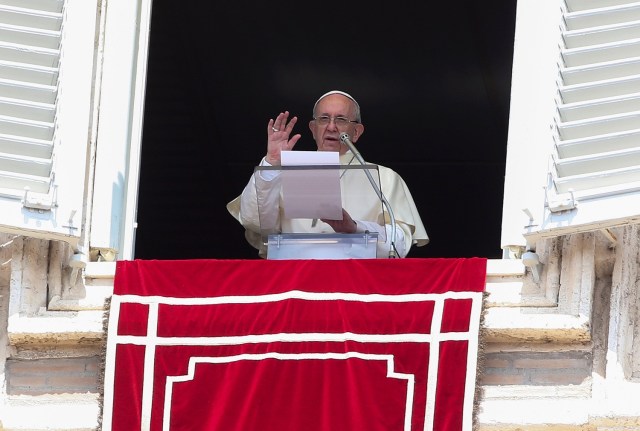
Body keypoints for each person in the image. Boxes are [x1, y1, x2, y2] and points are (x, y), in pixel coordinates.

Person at [227, 90, 428, 258]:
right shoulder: (281, 172)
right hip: (296, 280)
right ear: (313, 129)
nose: (331, 126)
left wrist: (355, 228)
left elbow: (399, 244)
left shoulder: (385, 178)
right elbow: (256, 223)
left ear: (356, 132)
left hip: (358, 281)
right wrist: (271, 162)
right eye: (324, 119)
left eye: (340, 119)